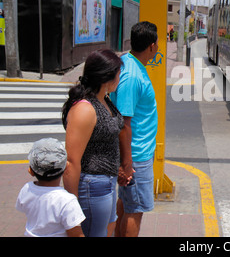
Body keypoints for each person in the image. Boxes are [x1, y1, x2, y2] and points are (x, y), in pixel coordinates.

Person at [62, 48, 124, 237]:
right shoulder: (85, 109)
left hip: (107, 183)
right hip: (92, 185)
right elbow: (72, 161)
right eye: (118, 74)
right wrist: (72, 206)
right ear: (107, 78)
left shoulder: (104, 99)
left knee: (107, 229)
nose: (120, 78)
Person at [110, 21, 159, 237]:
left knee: (127, 205)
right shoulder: (132, 77)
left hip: (134, 153)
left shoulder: (127, 62)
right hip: (136, 156)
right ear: (152, 46)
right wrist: (127, 164)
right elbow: (123, 123)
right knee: (135, 211)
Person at [16, 138, 85, 237]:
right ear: (65, 167)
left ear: (31, 171)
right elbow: (76, 234)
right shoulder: (67, 200)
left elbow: (22, 207)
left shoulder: (26, 189)